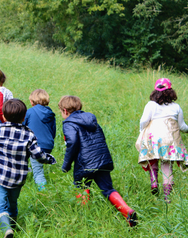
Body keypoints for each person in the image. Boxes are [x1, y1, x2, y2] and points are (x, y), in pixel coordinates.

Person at [0, 99, 56, 238]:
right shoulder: (29, 134)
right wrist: (49, 159)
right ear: (24, 117)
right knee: (12, 204)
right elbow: (38, 154)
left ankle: (7, 229)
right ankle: (13, 225)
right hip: (18, 178)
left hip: (0, 176)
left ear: (3, 116)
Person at [58, 96, 137, 227]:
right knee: (107, 189)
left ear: (65, 111)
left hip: (85, 163)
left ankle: (84, 220)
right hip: (103, 160)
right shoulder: (91, 119)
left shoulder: (68, 123)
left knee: (82, 187)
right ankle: (127, 211)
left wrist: (66, 165)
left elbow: (72, 143)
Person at [136, 78, 188, 203]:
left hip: (153, 137)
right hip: (170, 140)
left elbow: (143, 121)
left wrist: (142, 132)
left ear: (155, 92)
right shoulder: (176, 107)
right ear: (171, 92)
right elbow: (182, 127)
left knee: (152, 158)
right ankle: (167, 197)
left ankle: (154, 183)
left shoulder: (151, 105)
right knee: (166, 164)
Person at [23, 89, 56, 191]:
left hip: (35, 145)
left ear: (32, 101)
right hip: (48, 144)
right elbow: (53, 131)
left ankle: (43, 192)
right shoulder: (50, 113)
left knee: (38, 171)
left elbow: (22, 128)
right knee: (35, 164)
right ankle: (27, 172)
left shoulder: (29, 112)